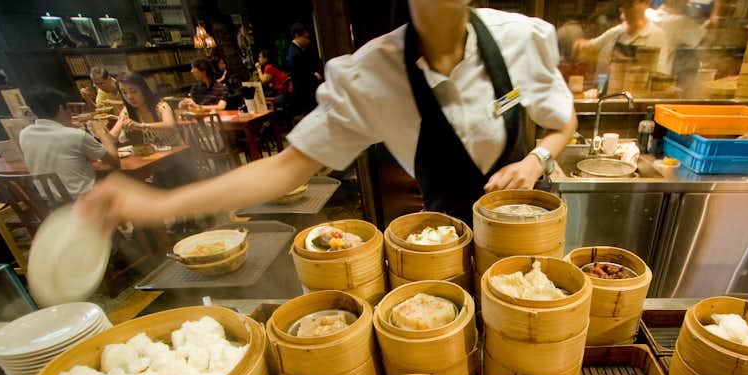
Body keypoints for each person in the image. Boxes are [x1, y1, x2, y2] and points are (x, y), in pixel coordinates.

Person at [79, 1, 577, 230]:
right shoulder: (373, 75)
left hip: (530, 235)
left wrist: (535, 159)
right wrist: (155, 205)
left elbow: (561, 125)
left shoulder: (519, 39)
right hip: (444, 245)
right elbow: (286, 167)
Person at [19, 88, 119, 197]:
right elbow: (114, 162)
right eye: (69, 109)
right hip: (86, 202)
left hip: (52, 204)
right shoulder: (75, 135)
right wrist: (103, 134)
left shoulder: (24, 134)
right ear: (61, 109)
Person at [573, 0, 668, 77]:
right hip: (610, 96)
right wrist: (578, 45)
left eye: (631, 4)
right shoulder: (616, 32)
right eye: (624, 5)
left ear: (646, 3)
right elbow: (588, 47)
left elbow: (661, 74)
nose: (626, 10)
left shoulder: (656, 35)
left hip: (639, 98)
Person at [109, 72, 180, 147]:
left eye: (133, 91)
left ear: (143, 90)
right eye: (124, 92)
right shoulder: (127, 111)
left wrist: (140, 126)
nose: (129, 97)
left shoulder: (161, 106)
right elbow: (112, 137)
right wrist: (101, 130)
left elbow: (170, 126)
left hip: (176, 153)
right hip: (153, 156)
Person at [286, 23, 323, 116]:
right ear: (297, 35)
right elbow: (302, 76)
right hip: (304, 94)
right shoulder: (295, 53)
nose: (308, 41)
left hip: (303, 93)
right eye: (306, 38)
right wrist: (315, 76)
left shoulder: (295, 50)